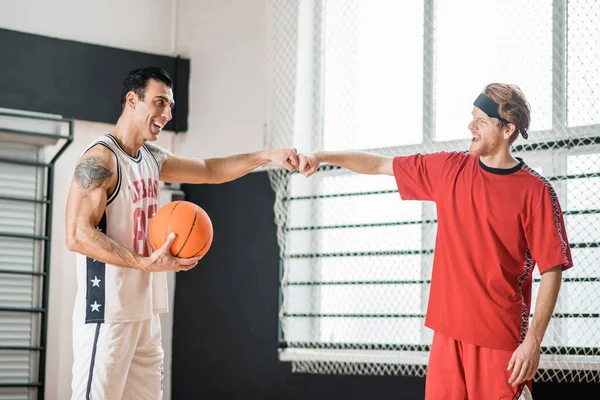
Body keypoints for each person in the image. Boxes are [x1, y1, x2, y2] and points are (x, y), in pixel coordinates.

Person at [297, 83, 572, 399]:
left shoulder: (536, 191)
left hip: (500, 343)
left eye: (481, 121)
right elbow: (379, 164)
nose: (471, 126)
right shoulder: (449, 169)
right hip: (447, 335)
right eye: (472, 117)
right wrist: (318, 155)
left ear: (507, 129)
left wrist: (532, 342)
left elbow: (552, 269)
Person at [65, 66, 298, 399]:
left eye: (170, 106)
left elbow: (210, 170)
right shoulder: (101, 159)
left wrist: (265, 156)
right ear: (133, 100)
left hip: (145, 312)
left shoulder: (150, 157)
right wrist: (144, 262)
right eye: (160, 102)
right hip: (107, 312)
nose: (167, 113)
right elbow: (77, 235)